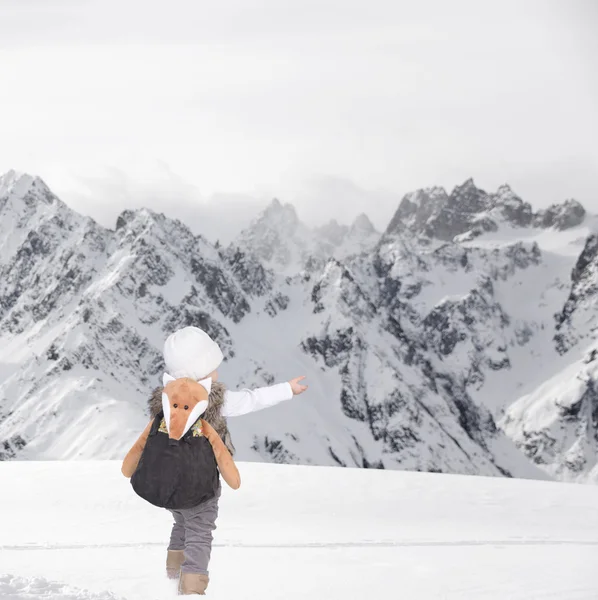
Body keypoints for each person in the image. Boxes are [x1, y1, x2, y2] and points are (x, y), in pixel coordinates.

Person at [147, 326, 308, 594]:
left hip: (169, 486)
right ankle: (191, 589)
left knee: (181, 523)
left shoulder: (165, 400)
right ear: (200, 369)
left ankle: (171, 575)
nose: (217, 372)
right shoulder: (214, 401)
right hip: (200, 487)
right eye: (213, 367)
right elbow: (252, 400)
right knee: (200, 532)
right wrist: (287, 389)